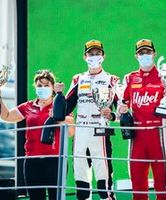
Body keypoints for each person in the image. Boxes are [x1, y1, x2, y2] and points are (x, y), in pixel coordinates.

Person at [55, 39, 118, 200]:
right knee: (81, 177)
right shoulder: (78, 79)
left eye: (97, 53)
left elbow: (122, 111)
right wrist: (58, 95)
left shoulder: (112, 80)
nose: (94, 57)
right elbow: (67, 107)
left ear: (103, 56)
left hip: (101, 130)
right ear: (85, 57)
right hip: (81, 130)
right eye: (91, 54)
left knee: (104, 179)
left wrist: (112, 116)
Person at [0, 70, 74, 200]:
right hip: (32, 160)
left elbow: (71, 131)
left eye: (46, 85)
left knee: (55, 197)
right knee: (35, 198)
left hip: (55, 160)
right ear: (35, 87)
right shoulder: (28, 106)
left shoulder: (61, 104)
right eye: (39, 85)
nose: (43, 88)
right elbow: (7, 116)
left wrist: (57, 117)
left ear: (52, 87)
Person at [119, 39, 166, 200]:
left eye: (148, 52)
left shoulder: (165, 77)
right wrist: (121, 109)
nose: (145, 55)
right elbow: (121, 105)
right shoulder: (130, 78)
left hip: (159, 135)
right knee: (137, 187)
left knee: (162, 187)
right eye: (141, 53)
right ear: (136, 56)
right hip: (137, 137)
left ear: (154, 54)